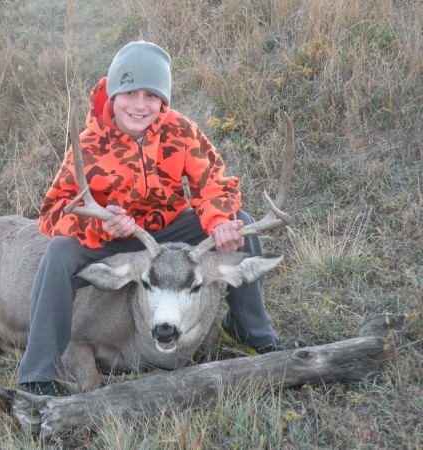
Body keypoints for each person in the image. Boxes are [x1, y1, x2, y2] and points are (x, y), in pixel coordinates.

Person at [18, 41, 284, 396]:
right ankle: (39, 371)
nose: (140, 105)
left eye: (151, 95)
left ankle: (250, 330)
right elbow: (53, 213)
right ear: (114, 93)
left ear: (163, 101)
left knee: (243, 222)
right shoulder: (88, 145)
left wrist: (220, 220)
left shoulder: (180, 131)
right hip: (115, 236)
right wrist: (99, 223)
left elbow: (214, 184)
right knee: (58, 255)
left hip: (172, 229)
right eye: (129, 92)